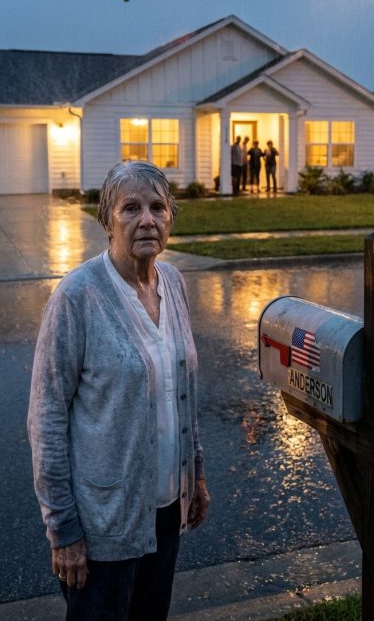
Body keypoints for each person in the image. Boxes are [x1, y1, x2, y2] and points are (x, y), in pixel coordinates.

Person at [28, 160, 210, 621]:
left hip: (167, 510)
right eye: (130, 208)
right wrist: (63, 530)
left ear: (171, 217)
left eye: (157, 207)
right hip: (103, 522)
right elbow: (46, 417)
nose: (146, 219)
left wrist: (197, 475)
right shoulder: (77, 296)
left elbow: (180, 392)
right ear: (107, 221)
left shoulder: (173, 282)